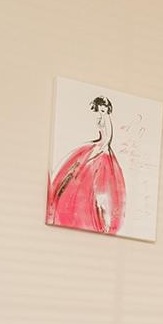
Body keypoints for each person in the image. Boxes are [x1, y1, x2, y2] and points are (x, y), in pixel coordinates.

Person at [47, 94, 124, 232]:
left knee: (92, 183)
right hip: (97, 147)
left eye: (103, 110)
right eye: (99, 109)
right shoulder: (100, 118)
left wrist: (95, 153)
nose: (101, 112)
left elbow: (106, 140)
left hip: (103, 152)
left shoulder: (106, 120)